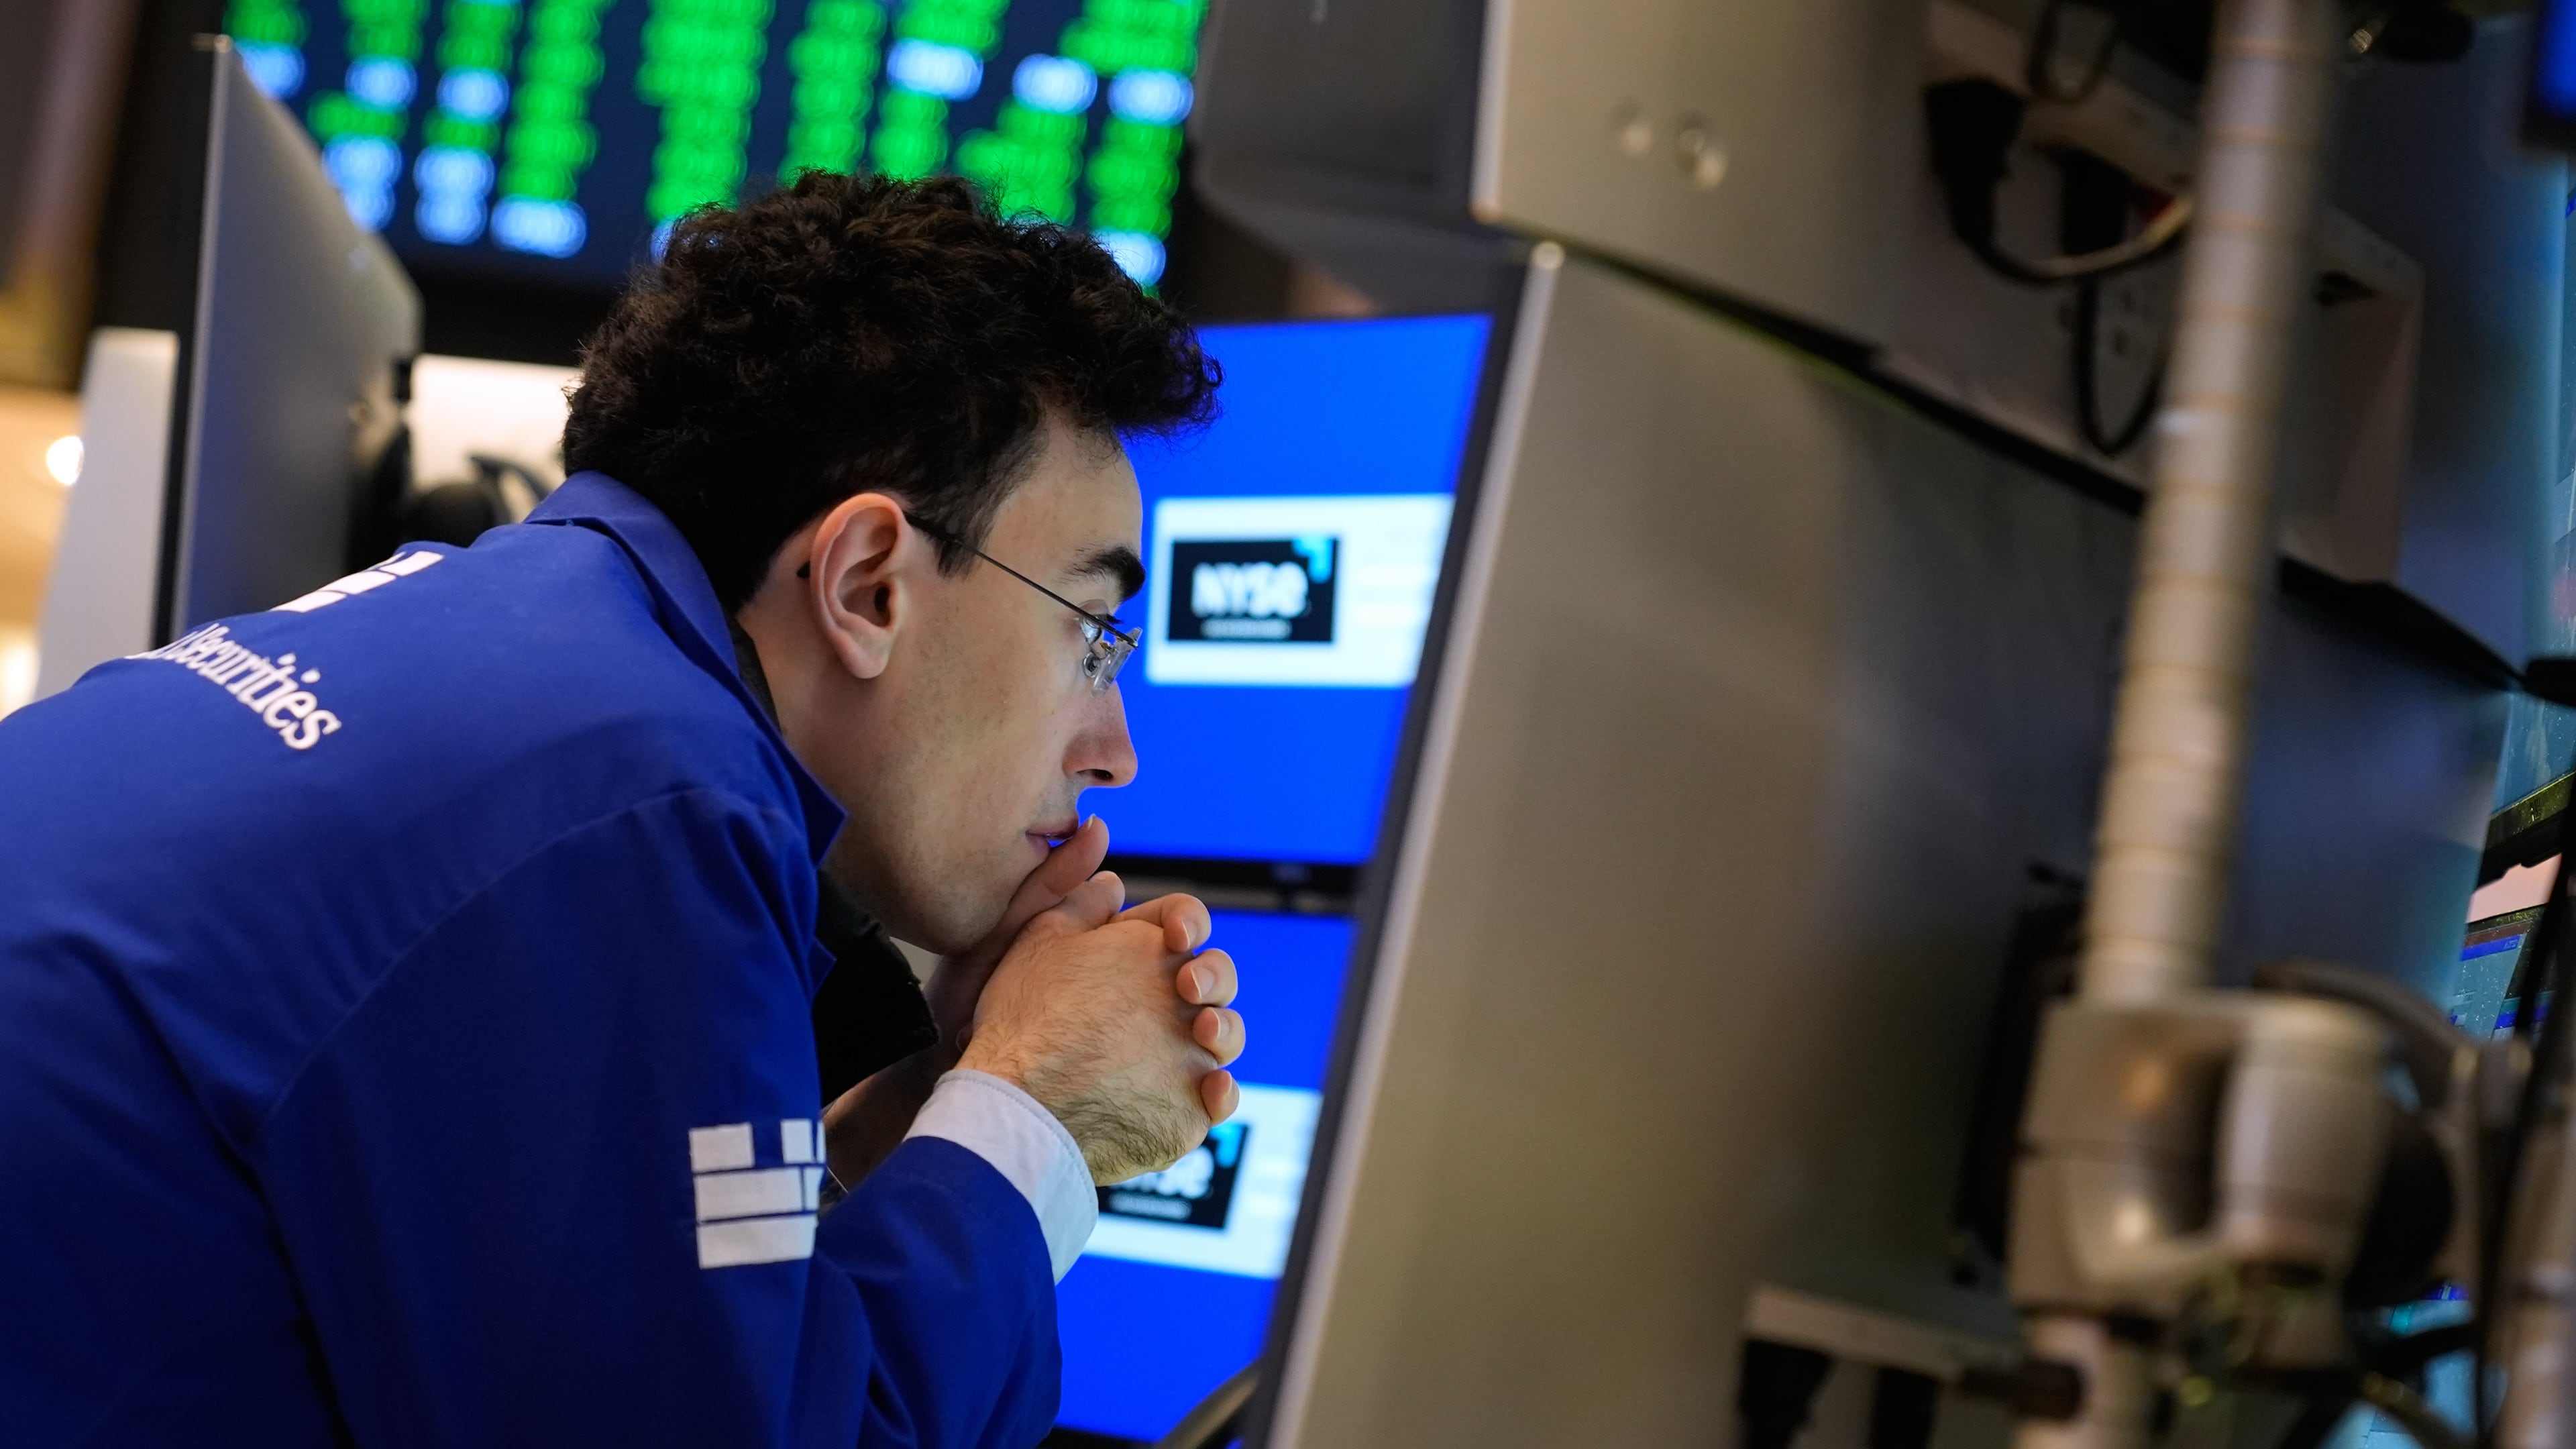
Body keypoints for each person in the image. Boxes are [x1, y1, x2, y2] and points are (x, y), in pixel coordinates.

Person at [0, 174, 1242, 1447]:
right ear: (869, 584)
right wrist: (1033, 1114)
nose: (1115, 753)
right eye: (1092, 635)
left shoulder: (514, 671)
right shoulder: (640, 806)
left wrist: (900, 1135)